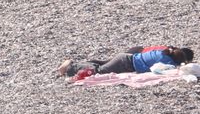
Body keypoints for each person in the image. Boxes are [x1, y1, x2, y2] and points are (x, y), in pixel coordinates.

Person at [58, 46, 193, 78]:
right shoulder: (167, 61)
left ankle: (76, 62)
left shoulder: (165, 51)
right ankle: (70, 66)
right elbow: (159, 70)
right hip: (126, 63)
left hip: (126, 57)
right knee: (99, 70)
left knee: (102, 63)